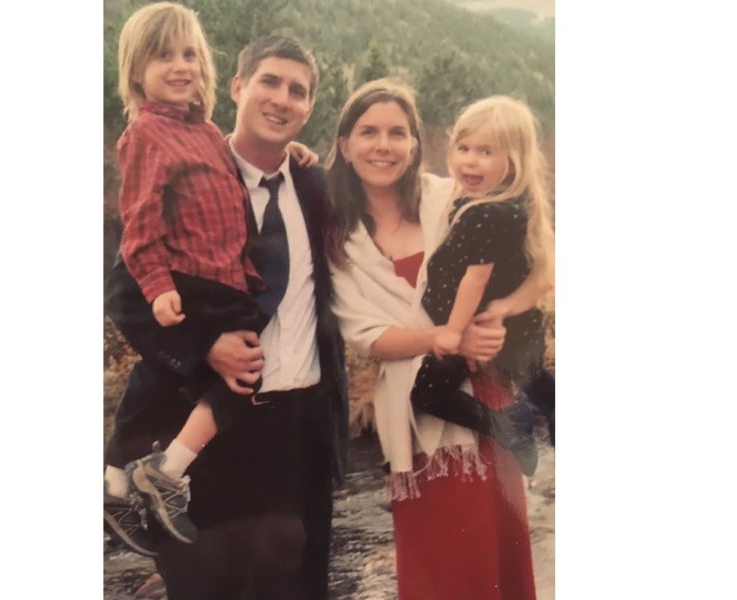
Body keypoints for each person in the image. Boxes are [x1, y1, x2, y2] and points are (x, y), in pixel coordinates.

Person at [111, 34, 349, 600]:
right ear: (238, 87)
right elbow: (123, 291)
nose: (281, 99)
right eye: (269, 81)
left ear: (309, 109)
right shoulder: (187, 166)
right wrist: (203, 344)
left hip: (299, 438)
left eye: (298, 91)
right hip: (207, 434)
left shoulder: (315, 186)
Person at [327, 79, 550, 600]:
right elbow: (369, 337)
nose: (384, 145)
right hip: (416, 417)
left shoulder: (454, 196)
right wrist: (450, 338)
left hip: (486, 401)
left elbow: (538, 257)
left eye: (398, 133)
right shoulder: (339, 236)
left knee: (496, 558)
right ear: (345, 145)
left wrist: (498, 313)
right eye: (369, 132)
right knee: (442, 569)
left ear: (415, 144)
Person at [409, 95, 555, 476]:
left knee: (426, 393)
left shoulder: (485, 214)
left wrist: (453, 334)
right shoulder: (511, 203)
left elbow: (475, 280)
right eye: (463, 148)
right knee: (536, 382)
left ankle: (509, 427)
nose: (470, 160)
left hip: (473, 326)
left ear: (514, 161)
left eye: (486, 152)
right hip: (516, 331)